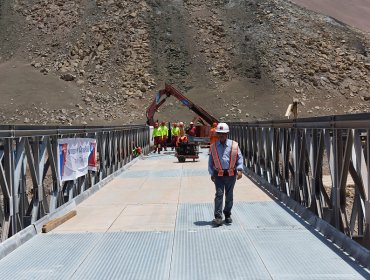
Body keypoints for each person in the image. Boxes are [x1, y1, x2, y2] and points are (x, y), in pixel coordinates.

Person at [208, 122, 243, 226]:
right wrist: (211, 173)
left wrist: (240, 169)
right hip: (218, 175)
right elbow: (211, 161)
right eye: (219, 133)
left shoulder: (234, 145)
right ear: (217, 134)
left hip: (231, 175)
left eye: (223, 133)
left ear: (227, 134)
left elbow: (239, 157)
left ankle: (227, 214)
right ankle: (218, 217)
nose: (221, 135)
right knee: (219, 194)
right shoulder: (213, 146)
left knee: (229, 195)